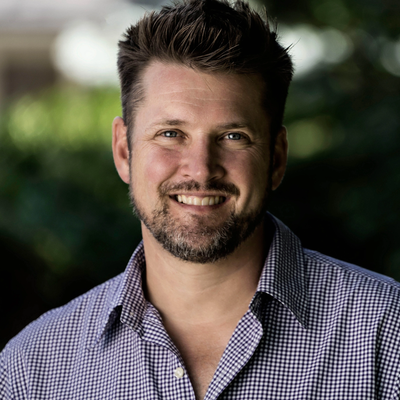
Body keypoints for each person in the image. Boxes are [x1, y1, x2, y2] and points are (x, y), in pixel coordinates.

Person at [1, 0, 400, 398]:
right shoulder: (32, 369)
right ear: (124, 151)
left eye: (233, 136)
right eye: (170, 134)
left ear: (276, 159)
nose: (201, 170)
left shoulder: (387, 335)